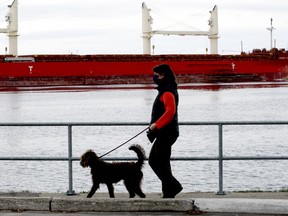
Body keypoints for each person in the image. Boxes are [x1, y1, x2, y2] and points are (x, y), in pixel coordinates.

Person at [147, 64, 183, 198]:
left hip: (166, 133)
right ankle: (172, 187)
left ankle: (170, 191)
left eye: (157, 74)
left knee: (161, 163)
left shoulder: (167, 92)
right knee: (155, 161)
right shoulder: (166, 90)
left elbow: (170, 112)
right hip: (164, 132)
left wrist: (156, 125)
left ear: (163, 75)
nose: (154, 77)